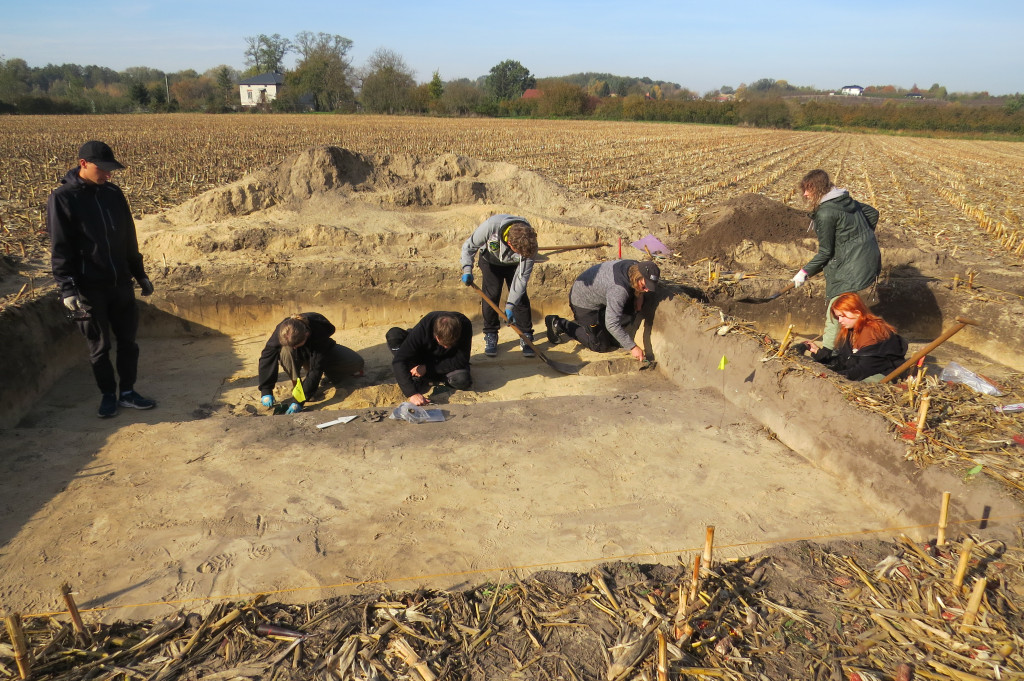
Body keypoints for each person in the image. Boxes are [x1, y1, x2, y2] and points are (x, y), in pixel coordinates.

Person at [47, 140, 156, 418]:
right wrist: (67, 288)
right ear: (83, 164)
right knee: (99, 346)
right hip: (88, 288)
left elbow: (128, 237)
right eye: (103, 169)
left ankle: (128, 392)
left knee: (128, 343)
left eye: (111, 170)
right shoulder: (63, 198)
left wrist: (138, 273)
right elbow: (61, 247)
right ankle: (108, 395)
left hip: (120, 282)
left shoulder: (113, 193)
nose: (108, 174)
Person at [792, 169, 881, 351]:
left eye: (809, 189)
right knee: (847, 311)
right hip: (866, 258)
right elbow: (872, 213)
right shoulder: (842, 200)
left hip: (850, 266)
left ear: (819, 189)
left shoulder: (826, 213)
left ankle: (828, 355)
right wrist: (860, 239)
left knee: (835, 312)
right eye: (804, 189)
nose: (805, 194)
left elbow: (825, 252)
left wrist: (804, 272)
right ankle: (852, 346)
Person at [545, 259, 659, 362]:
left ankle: (600, 329)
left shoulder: (636, 265)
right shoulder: (619, 290)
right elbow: (612, 323)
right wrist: (633, 347)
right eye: (644, 286)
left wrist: (640, 295)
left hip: (602, 295)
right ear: (636, 277)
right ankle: (558, 324)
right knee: (600, 345)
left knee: (619, 331)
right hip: (583, 303)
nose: (647, 290)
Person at [459, 214, 539, 358]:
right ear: (510, 244)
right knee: (491, 294)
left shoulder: (530, 245)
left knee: (520, 298)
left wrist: (510, 306)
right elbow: (469, 246)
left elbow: (521, 279)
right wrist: (467, 269)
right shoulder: (491, 227)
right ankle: (491, 334)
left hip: (514, 266)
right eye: (518, 252)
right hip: (490, 261)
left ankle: (526, 334)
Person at [258, 313, 364, 413]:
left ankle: (327, 376)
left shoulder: (319, 332)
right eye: (293, 346)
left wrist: (299, 402)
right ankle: (297, 386)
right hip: (299, 356)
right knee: (286, 351)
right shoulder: (283, 330)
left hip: (319, 352)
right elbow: (267, 356)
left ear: (307, 334)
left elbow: (316, 369)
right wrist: (266, 390)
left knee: (356, 362)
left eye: (296, 345)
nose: (294, 348)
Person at [804, 292, 907, 382]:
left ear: (857, 313)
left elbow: (863, 370)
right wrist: (818, 353)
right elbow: (844, 361)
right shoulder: (850, 331)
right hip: (863, 371)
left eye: (842, 316)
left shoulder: (872, 333)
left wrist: (834, 377)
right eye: (838, 317)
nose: (839, 321)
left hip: (884, 375)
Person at [386, 311, 473, 407]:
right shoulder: (424, 327)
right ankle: (416, 373)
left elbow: (461, 359)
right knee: (394, 335)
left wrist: (428, 368)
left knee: (462, 379)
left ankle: (427, 377)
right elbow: (399, 361)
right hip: (422, 355)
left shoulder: (464, 325)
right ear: (437, 337)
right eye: (444, 344)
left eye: (451, 344)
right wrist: (412, 393)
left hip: (444, 361)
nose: (447, 347)